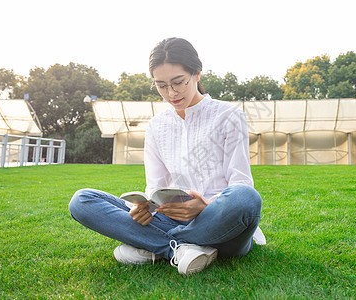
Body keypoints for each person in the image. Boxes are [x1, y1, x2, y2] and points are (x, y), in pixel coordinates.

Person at [68, 37, 265, 275]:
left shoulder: (229, 116)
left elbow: (241, 183)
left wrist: (204, 206)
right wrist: (143, 208)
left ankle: (152, 245)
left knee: (246, 198)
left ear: (197, 74)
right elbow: (155, 188)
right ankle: (177, 249)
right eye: (161, 86)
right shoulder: (156, 126)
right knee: (82, 201)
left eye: (178, 82)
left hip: (220, 221)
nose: (171, 93)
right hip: (171, 218)